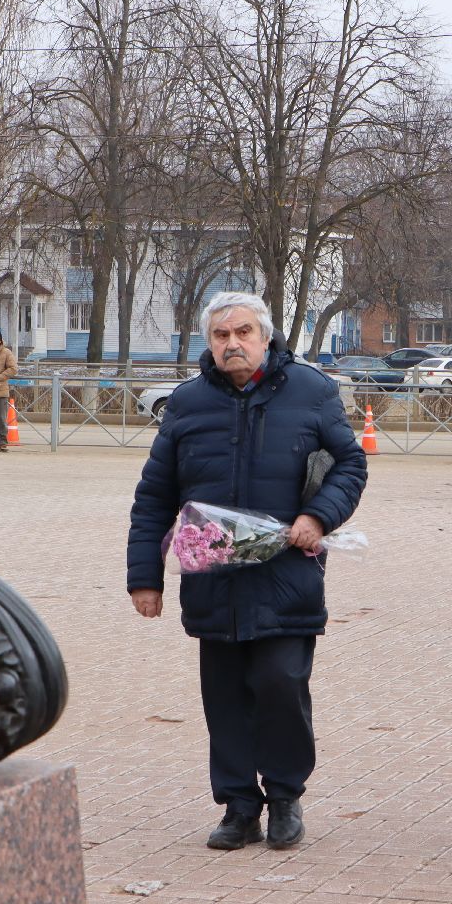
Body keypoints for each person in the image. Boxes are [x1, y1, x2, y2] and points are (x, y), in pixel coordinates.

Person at [127, 292, 368, 851]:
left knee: (281, 683)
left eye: (242, 333)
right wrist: (145, 576)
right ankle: (239, 805)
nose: (231, 344)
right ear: (208, 343)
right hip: (214, 581)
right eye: (220, 335)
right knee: (225, 695)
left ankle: (284, 796)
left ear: (265, 337)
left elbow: (350, 465)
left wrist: (317, 514)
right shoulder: (187, 403)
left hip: (287, 575)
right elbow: (155, 495)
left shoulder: (311, 390)